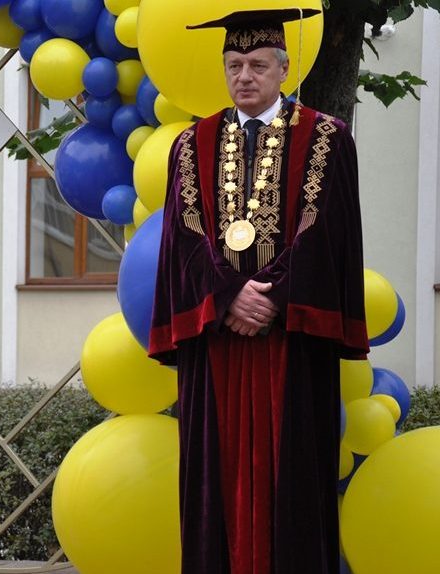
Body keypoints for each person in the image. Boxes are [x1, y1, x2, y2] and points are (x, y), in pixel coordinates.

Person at [148, 8, 369, 574]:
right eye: (234, 65)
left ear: (283, 69)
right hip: (216, 342)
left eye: (257, 65)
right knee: (213, 483)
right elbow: (184, 235)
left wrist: (271, 295)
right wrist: (228, 296)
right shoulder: (191, 144)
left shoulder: (326, 138)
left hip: (292, 339)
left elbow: (327, 229)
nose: (244, 76)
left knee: (293, 479)